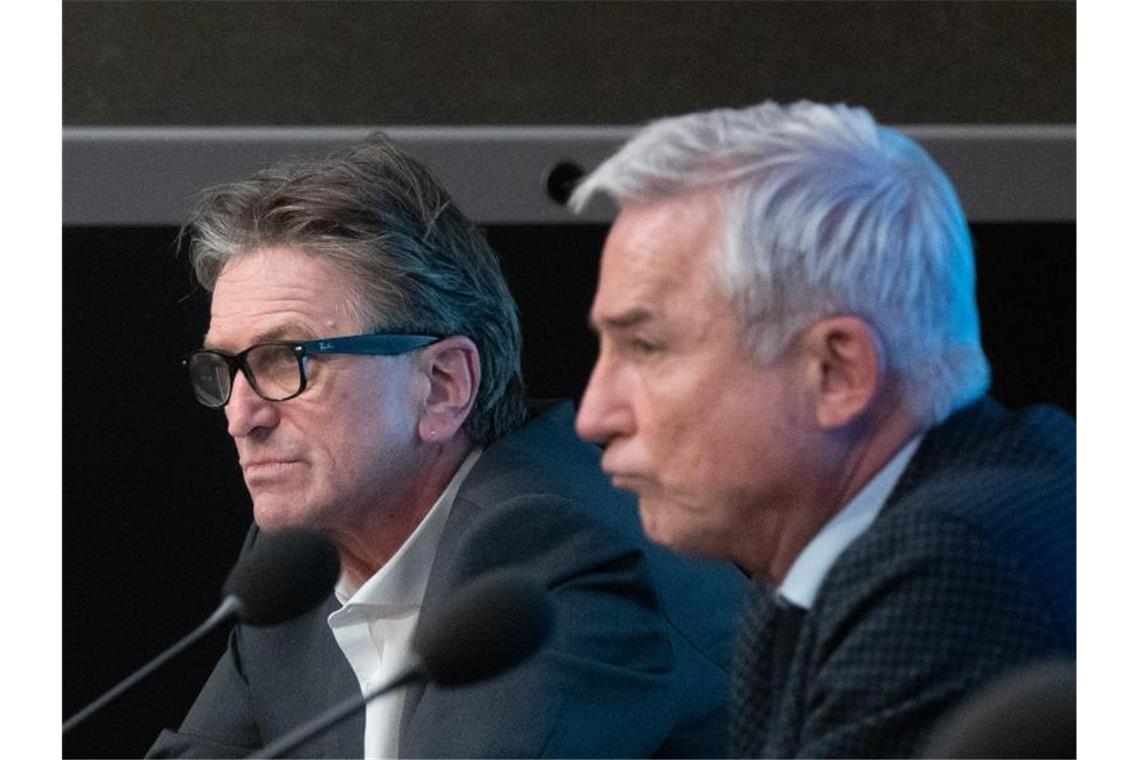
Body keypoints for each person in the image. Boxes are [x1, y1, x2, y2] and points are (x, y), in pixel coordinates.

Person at [147, 133, 747, 758]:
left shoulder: (560, 553)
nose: (241, 415)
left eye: (285, 360)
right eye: (225, 368)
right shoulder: (300, 559)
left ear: (442, 386)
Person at [570, 101, 1075, 758]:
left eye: (647, 347)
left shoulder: (950, 569)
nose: (594, 414)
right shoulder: (816, 550)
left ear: (836, 372)